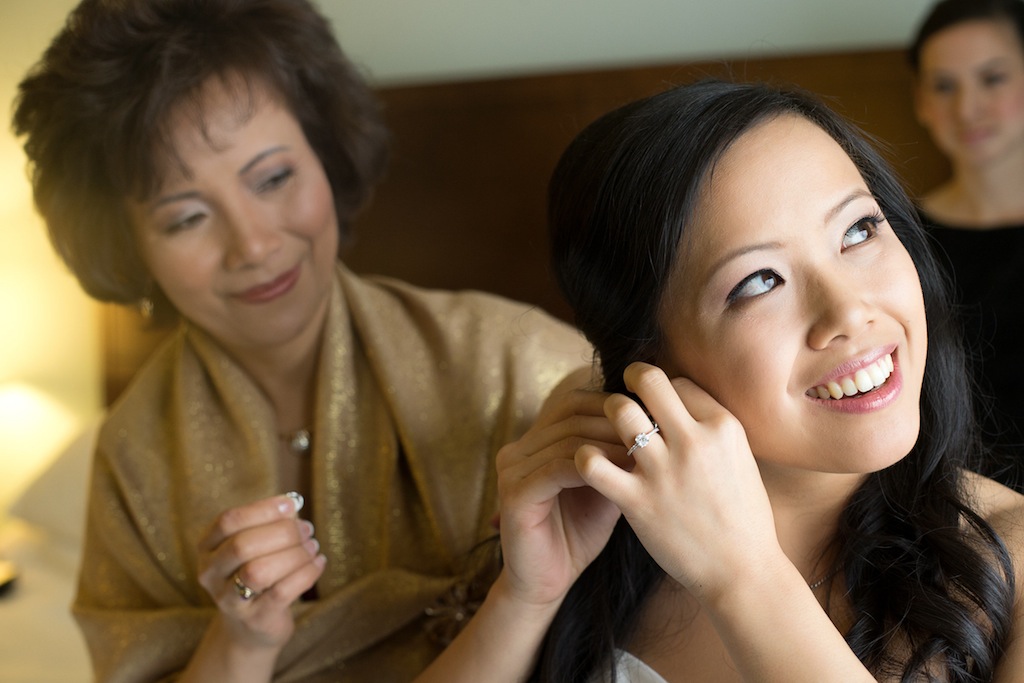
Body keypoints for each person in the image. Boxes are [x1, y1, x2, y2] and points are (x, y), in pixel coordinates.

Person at [11, 0, 589, 681]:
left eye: (275, 178)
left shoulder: (523, 365)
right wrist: (243, 639)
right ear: (129, 246)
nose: (254, 244)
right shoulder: (131, 459)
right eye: (187, 217)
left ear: (326, 154)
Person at [412, 80, 1024, 682]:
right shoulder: (609, 503)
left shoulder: (1014, 557)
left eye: (859, 230)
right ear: (649, 356)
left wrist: (744, 578)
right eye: (759, 280)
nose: (848, 313)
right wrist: (527, 600)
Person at [908, 0, 1024, 486]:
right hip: (955, 506)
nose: (967, 108)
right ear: (921, 103)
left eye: (992, 78)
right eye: (944, 86)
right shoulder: (893, 240)